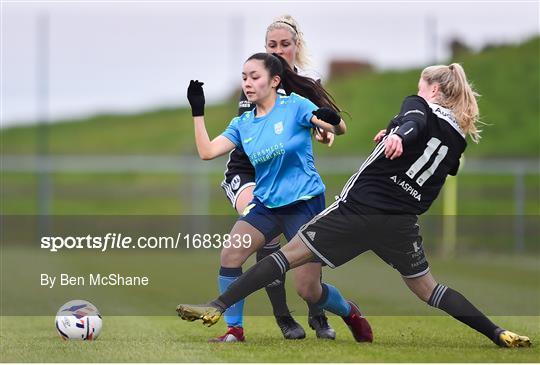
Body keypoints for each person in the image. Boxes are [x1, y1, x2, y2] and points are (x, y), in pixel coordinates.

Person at [177, 63, 531, 348]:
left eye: (423, 87)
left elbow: (414, 121)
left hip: (357, 210)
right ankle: (496, 331)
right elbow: (443, 161)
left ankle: (217, 306)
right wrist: (394, 133)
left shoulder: (418, 105)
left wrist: (397, 134)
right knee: (430, 290)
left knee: (284, 258)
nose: (418, 91)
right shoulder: (457, 139)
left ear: (434, 91)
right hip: (399, 223)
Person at [184, 52, 367, 343]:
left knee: (309, 290)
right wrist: (198, 111)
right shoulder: (243, 123)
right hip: (267, 206)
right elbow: (206, 152)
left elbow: (336, 128)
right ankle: (234, 330)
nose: (248, 83)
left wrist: (335, 123)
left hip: (305, 204)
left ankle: (349, 312)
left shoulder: (295, 106)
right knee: (231, 253)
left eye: (255, 77)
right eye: (244, 77)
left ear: (274, 80)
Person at [218, 15, 335, 342]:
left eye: (285, 44)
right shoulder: (257, 81)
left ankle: (317, 312)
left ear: (296, 47)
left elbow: (326, 124)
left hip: (286, 172)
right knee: (261, 231)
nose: (279, 50)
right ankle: (282, 317)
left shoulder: (307, 85)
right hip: (247, 171)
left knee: (304, 250)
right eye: (273, 45)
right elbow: (249, 132)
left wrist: (325, 135)